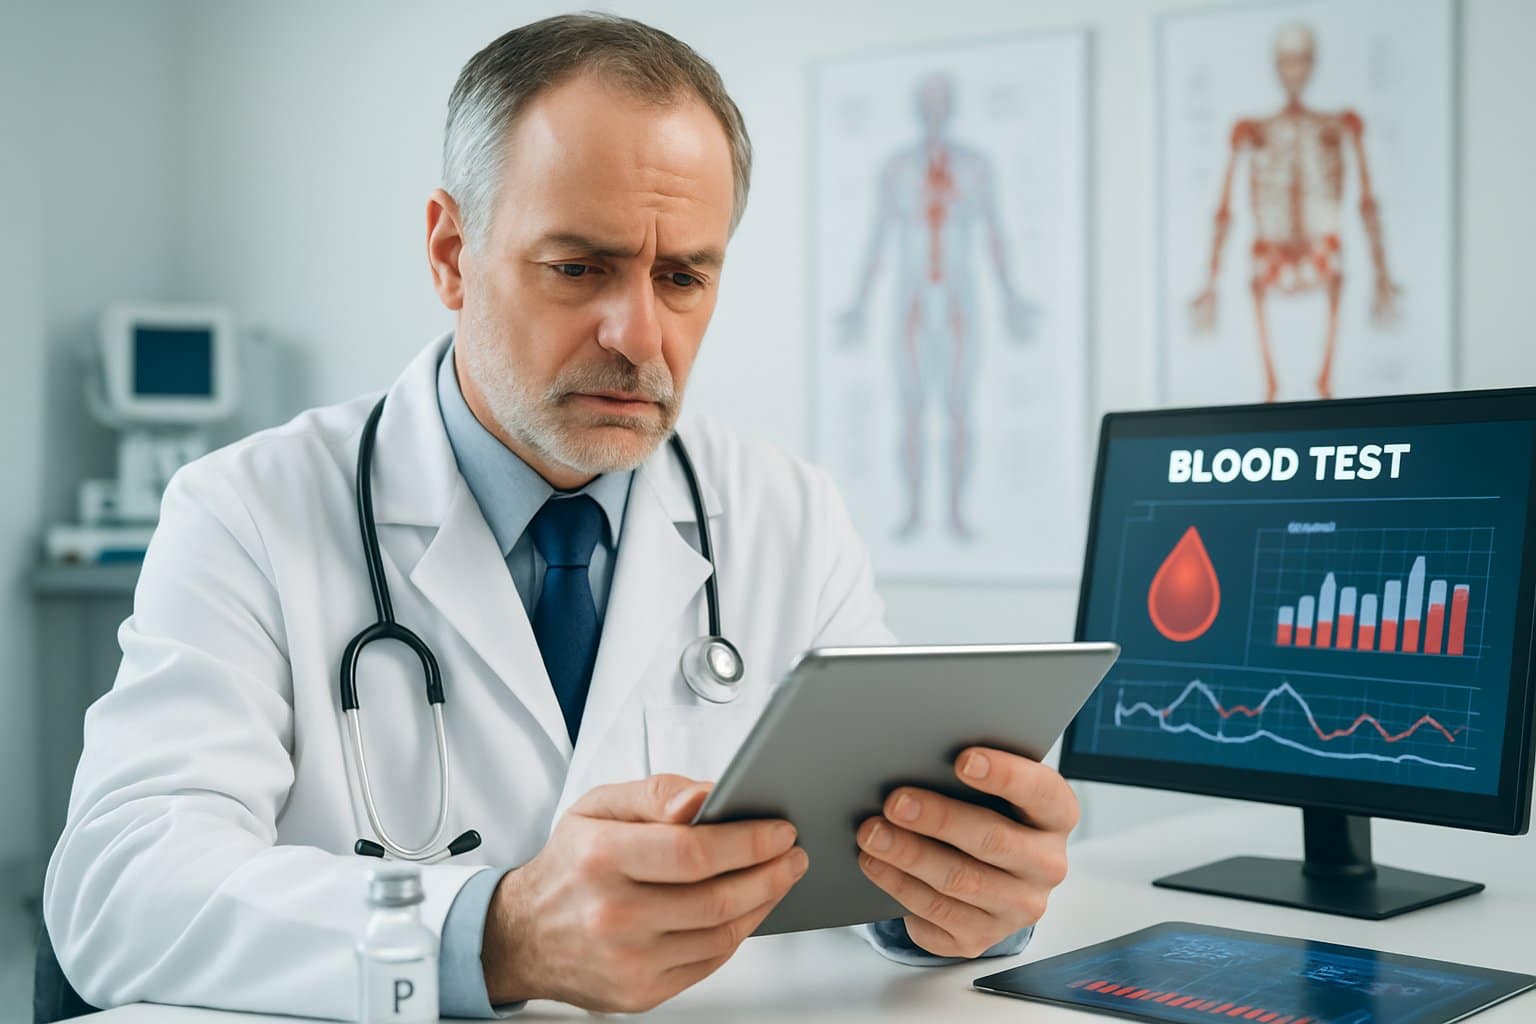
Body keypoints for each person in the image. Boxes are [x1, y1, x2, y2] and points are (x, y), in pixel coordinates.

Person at [43, 13, 1078, 1019]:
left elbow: (864, 849)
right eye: (580, 266)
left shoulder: (785, 514)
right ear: (451, 252)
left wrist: (955, 901)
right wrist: (499, 933)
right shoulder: (247, 512)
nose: (640, 335)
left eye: (683, 277)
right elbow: (119, 887)